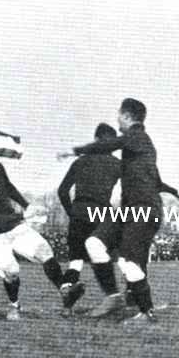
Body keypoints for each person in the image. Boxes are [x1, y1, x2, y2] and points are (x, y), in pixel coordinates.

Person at [73, 98, 173, 324]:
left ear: (127, 116)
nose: (117, 117)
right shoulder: (139, 146)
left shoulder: (137, 136)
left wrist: (77, 150)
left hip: (144, 209)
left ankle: (146, 312)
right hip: (130, 209)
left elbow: (108, 145)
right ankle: (114, 297)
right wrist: (174, 191)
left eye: (119, 114)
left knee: (127, 261)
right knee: (94, 244)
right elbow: (156, 180)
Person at [0, 139, 70, 320]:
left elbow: (9, 188)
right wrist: (23, 216)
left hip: (14, 227)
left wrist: (27, 205)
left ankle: (65, 290)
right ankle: (14, 305)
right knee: (11, 270)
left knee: (44, 250)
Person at [57, 123, 123, 315]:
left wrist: (72, 212)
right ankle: (121, 296)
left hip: (78, 212)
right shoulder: (116, 164)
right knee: (112, 254)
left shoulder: (79, 162)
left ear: (95, 140)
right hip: (100, 213)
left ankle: (67, 305)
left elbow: (62, 191)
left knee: (75, 261)